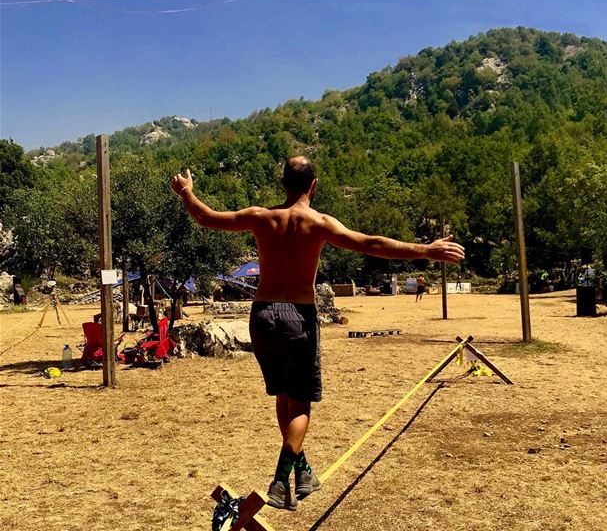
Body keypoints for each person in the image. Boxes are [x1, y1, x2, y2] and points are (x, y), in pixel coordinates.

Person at [172, 156, 464, 511]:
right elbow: (371, 243)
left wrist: (187, 192)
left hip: (262, 315)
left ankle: (303, 469)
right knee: (302, 401)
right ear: (314, 185)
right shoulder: (319, 223)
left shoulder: (261, 217)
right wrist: (426, 251)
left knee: (283, 394)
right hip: (298, 316)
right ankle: (281, 481)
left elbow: (207, 217)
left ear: (283, 184)